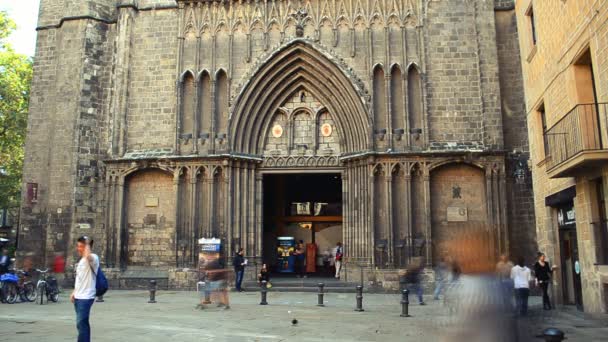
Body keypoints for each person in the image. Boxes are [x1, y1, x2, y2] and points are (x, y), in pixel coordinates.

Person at [71, 236, 99, 342]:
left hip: (86, 297)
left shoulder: (93, 257)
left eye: (81, 246)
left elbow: (89, 257)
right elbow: (80, 279)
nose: (78, 248)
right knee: (81, 324)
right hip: (78, 297)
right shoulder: (82, 260)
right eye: (78, 246)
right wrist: (74, 292)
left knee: (81, 323)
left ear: (88, 247)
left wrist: (87, 244)